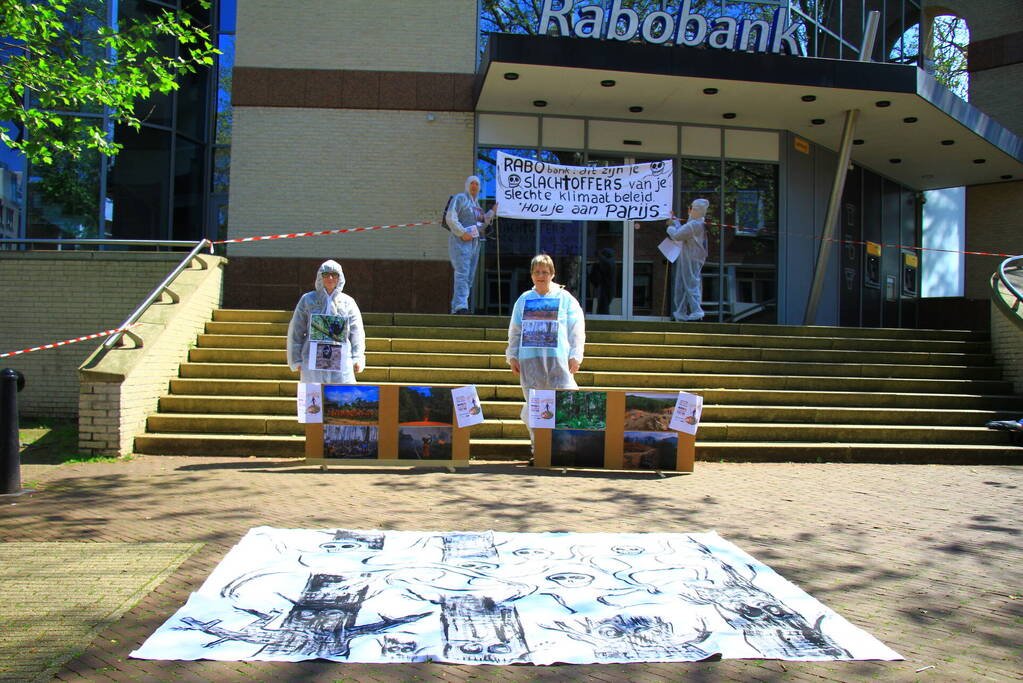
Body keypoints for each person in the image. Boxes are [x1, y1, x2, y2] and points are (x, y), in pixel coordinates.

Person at [506, 254, 586, 452]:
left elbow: (576, 328)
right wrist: (512, 355)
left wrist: (576, 355)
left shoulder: (565, 299)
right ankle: (538, 448)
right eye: (537, 272)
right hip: (530, 360)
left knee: (564, 400)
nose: (541, 276)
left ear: (552, 274)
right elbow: (515, 329)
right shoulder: (524, 299)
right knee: (535, 404)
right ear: (532, 275)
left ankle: (564, 446)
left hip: (558, 360)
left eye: (545, 272)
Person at [287, 260, 365, 384]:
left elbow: (357, 333)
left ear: (340, 277)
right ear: (320, 276)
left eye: (334, 275)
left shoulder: (348, 302)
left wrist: (357, 358)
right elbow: (296, 331)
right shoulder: (308, 300)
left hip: (341, 361)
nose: (330, 278)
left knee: (339, 399)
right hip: (312, 359)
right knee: (313, 398)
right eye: (326, 274)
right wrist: (295, 359)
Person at [447, 175, 498, 314]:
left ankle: (458, 306)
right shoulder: (460, 199)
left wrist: (492, 211)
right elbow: (450, 218)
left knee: (468, 276)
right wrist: (462, 233)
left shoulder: (476, 205)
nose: (474, 186)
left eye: (477, 184)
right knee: (462, 273)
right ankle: (460, 306)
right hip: (460, 242)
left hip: (474, 244)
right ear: (467, 185)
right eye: (472, 183)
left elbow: (480, 225)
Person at [666, 198, 710, 321]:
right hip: (689, 257)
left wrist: (670, 227)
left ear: (695, 210)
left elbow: (677, 235)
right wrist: (675, 223)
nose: (689, 211)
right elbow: (682, 230)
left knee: (690, 284)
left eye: (691, 209)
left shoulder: (694, 225)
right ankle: (681, 311)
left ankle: (696, 311)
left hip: (691, 257)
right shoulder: (695, 224)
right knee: (681, 284)